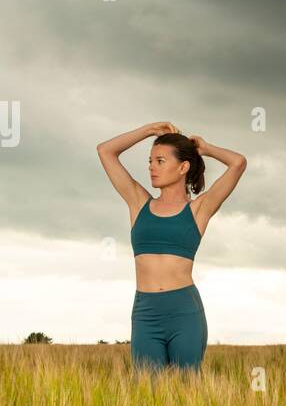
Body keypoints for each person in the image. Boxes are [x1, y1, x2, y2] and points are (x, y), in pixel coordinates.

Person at [96, 121, 247, 372]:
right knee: (148, 396)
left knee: (187, 395)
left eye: (160, 161)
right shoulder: (138, 202)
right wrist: (148, 131)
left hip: (184, 313)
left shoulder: (199, 209)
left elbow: (238, 163)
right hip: (146, 313)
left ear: (183, 167)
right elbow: (105, 151)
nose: (151, 168)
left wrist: (206, 148)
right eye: (150, 161)